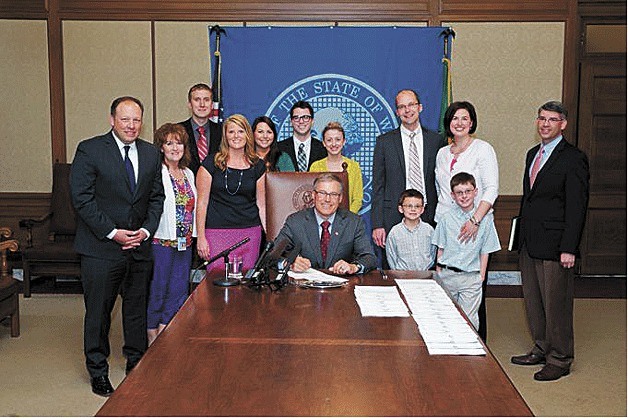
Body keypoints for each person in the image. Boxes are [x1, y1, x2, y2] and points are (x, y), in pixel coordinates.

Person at [70, 96, 165, 397]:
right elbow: (82, 199)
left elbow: (156, 198)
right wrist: (112, 232)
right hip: (101, 248)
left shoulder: (151, 153)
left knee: (136, 309)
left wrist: (147, 230)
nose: (131, 125)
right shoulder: (90, 149)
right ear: (112, 120)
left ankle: (135, 361)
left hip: (139, 246)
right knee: (98, 312)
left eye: (136, 119)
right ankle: (97, 369)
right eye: (125, 119)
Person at [511, 101, 589, 382]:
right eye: (541, 118)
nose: (545, 124)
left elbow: (577, 206)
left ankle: (560, 358)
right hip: (530, 242)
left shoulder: (573, 158)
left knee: (557, 304)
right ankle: (542, 347)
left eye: (552, 120)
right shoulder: (533, 153)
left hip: (557, 246)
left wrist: (569, 248)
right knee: (534, 300)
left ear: (563, 124)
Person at [435, 101, 499, 342]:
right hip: (446, 226)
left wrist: (475, 219)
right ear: (448, 123)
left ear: (472, 122)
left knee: (473, 289)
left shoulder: (483, 149)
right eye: (454, 119)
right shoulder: (442, 153)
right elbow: (441, 190)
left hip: (475, 226)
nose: (459, 123)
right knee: (446, 290)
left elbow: (491, 189)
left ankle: (475, 342)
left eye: (464, 118)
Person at [371, 89, 445, 267]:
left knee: (429, 270)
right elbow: (378, 186)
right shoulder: (384, 142)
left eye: (411, 105)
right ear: (397, 112)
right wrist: (377, 224)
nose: (407, 110)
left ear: (420, 107)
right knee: (394, 272)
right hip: (393, 216)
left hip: (429, 215)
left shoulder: (436, 141)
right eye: (402, 106)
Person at [195, 114, 266, 275]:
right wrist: (201, 237)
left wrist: (271, 236)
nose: (236, 136)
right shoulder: (211, 163)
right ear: (225, 136)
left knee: (244, 283)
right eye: (231, 132)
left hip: (249, 232)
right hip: (216, 232)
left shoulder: (258, 166)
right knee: (217, 281)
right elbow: (202, 203)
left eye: (241, 131)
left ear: (248, 135)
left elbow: (261, 205)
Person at [147, 123, 197, 346]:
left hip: (184, 244)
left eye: (179, 142)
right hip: (161, 242)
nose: (175, 147)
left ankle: (165, 334)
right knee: (158, 289)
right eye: (169, 143)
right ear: (161, 147)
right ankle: (151, 337)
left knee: (178, 291)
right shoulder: (156, 173)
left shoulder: (188, 173)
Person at [432, 172, 500, 331]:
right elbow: (440, 247)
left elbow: (486, 250)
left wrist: (481, 275)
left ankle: (468, 354)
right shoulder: (446, 218)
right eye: (459, 193)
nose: (464, 196)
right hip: (447, 275)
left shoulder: (486, 219)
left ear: (476, 192)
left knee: (469, 320)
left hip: (471, 277)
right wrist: (439, 272)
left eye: (468, 191)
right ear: (452, 195)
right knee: (446, 317)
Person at [275, 173, 377, 275]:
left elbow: (369, 258)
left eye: (333, 194)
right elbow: (272, 255)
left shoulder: (353, 222)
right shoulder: (295, 222)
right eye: (322, 193)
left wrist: (353, 267)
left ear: (340, 198)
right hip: (304, 287)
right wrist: (288, 264)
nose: (327, 199)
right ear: (314, 195)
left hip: (342, 286)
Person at [309, 122, 364, 214]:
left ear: (344, 141)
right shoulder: (315, 166)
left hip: (346, 221)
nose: (334, 144)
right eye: (329, 140)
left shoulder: (354, 166)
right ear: (323, 143)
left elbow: (357, 199)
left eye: (338, 139)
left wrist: (345, 218)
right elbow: (313, 197)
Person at [386, 189, 436, 270]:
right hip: (402, 276)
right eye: (409, 206)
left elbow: (433, 253)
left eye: (417, 206)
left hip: (425, 276)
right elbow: (391, 257)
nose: (413, 209)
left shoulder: (429, 230)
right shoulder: (394, 232)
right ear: (401, 209)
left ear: (422, 209)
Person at [178, 83, 222, 174]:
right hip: (186, 185)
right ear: (190, 104)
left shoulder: (222, 131)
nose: (202, 104)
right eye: (197, 100)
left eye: (206, 100)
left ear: (212, 105)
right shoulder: (178, 131)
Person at [277, 100, 326, 172]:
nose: (301, 121)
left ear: (312, 121)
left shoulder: (323, 148)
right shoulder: (279, 149)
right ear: (291, 122)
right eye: (296, 118)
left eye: (305, 117)